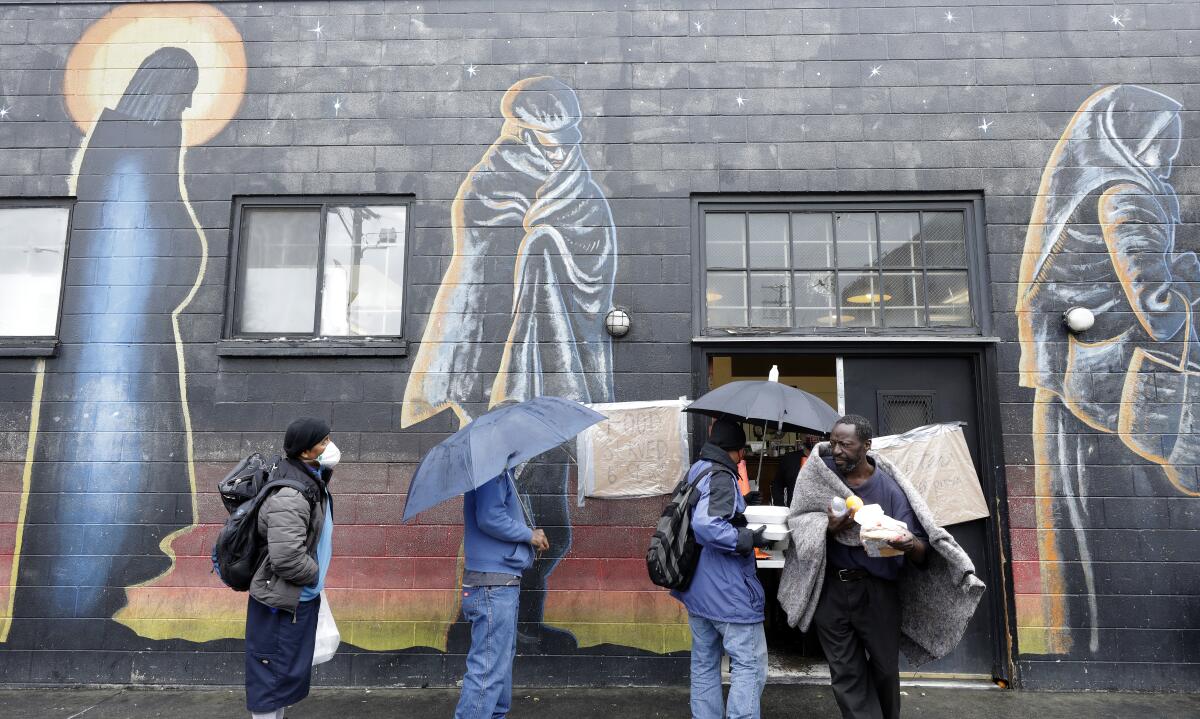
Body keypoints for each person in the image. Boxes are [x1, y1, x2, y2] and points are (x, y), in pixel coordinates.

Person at [813, 415, 926, 719]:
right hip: (833, 591)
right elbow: (802, 523)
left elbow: (921, 546)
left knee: (885, 671)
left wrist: (906, 543)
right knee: (846, 673)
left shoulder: (889, 488)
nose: (836, 450)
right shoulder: (821, 479)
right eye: (833, 442)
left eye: (845, 444)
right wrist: (827, 529)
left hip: (878, 592)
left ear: (866, 446)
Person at [672, 419, 772, 719]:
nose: (742, 458)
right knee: (749, 665)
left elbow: (704, 509)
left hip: (697, 591)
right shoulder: (721, 475)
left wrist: (741, 501)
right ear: (734, 451)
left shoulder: (698, 470)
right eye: (741, 452)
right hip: (728, 595)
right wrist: (747, 538)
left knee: (704, 664)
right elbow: (707, 524)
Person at [245, 418, 339, 719]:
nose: (330, 446)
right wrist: (314, 576)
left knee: (282, 677)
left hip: (297, 598)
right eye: (323, 442)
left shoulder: (309, 480)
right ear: (305, 450)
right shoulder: (291, 495)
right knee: (270, 677)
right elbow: (286, 558)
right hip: (282, 600)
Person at [454, 469, 550, 719]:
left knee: (498, 667)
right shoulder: (491, 470)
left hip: (498, 584)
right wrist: (529, 535)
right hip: (492, 587)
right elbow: (489, 517)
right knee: (488, 671)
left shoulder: (497, 471)